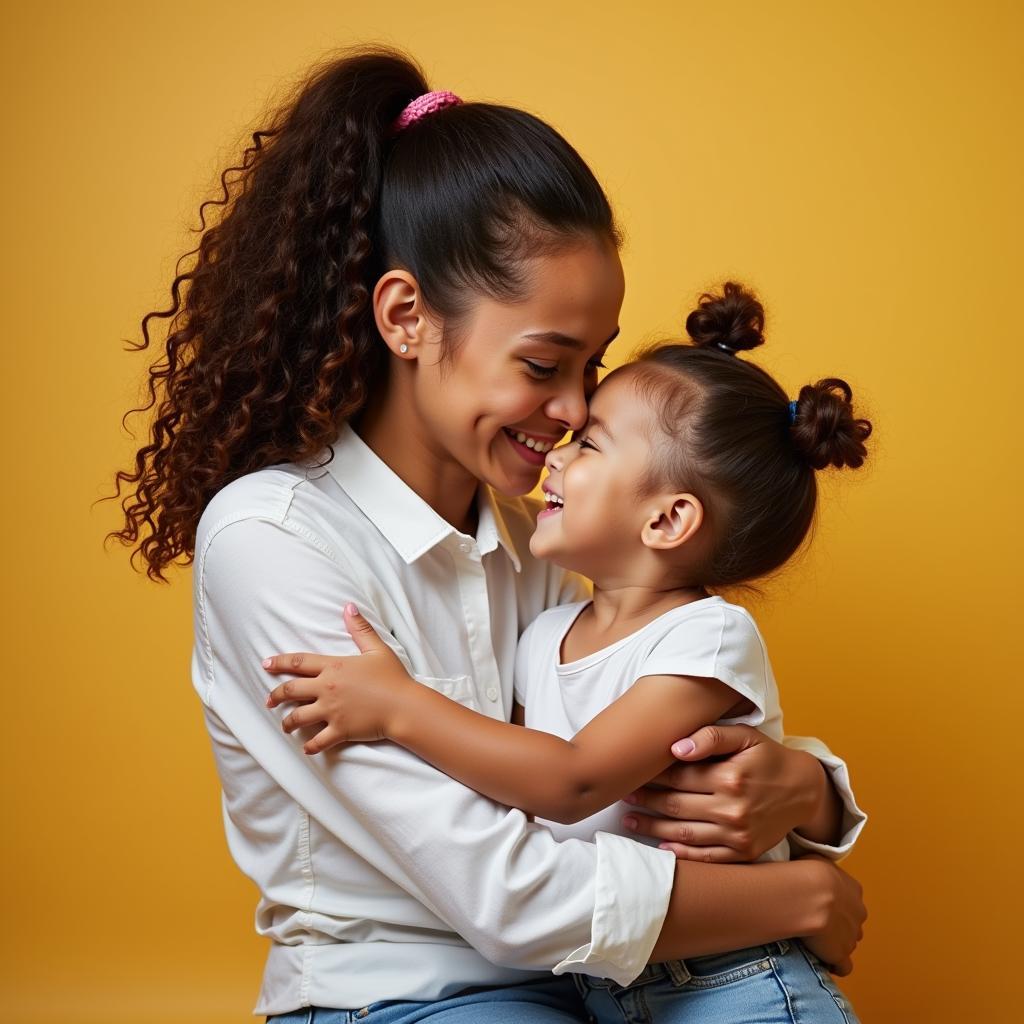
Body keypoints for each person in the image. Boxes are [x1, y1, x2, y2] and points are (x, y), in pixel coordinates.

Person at [112, 48, 866, 1023]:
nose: (574, 408)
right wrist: (797, 894)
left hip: (592, 983)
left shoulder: (537, 530)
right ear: (407, 316)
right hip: (399, 996)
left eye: (592, 365)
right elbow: (511, 895)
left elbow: (619, 748)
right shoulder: (272, 539)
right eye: (545, 363)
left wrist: (806, 789)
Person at [264, 282, 869, 1022]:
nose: (560, 446)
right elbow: (509, 790)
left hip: (735, 983)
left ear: (668, 518)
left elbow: (573, 782)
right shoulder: (546, 632)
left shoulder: (707, 637)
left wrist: (398, 708)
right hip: (607, 987)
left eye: (591, 445)